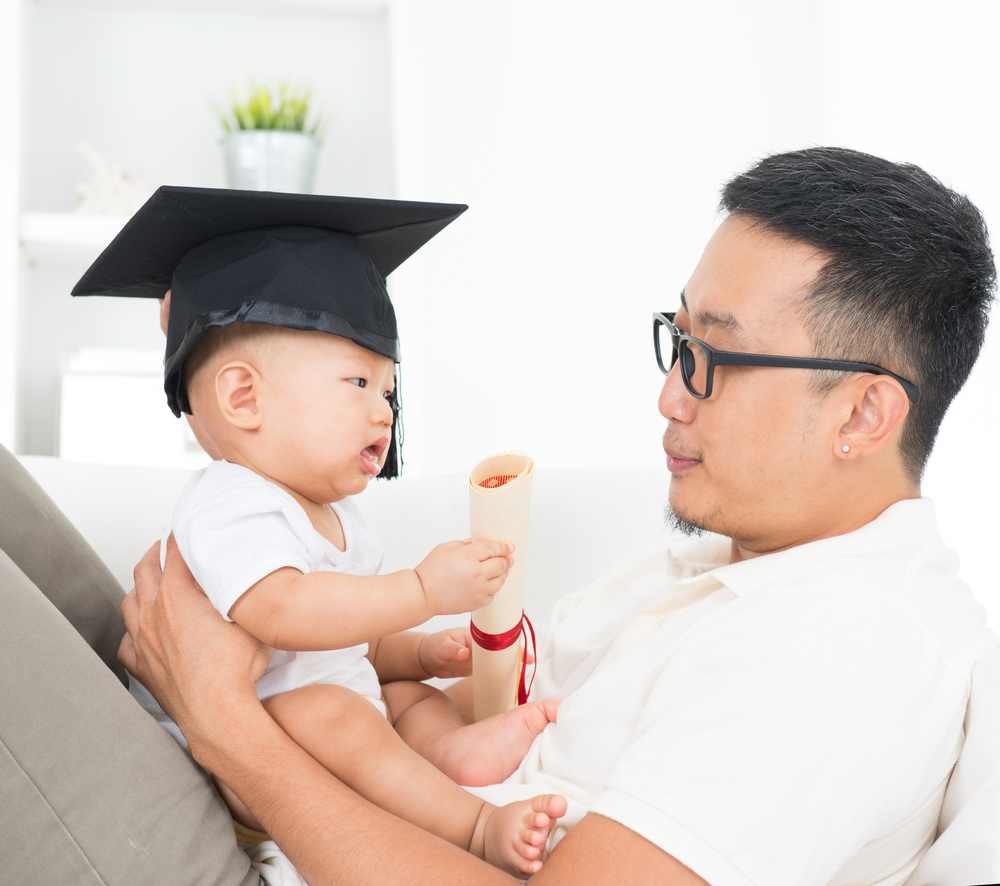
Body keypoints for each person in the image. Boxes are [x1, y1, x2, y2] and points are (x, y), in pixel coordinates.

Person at [119, 147, 999, 886]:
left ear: (861, 415)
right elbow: (441, 724)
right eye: (676, 340)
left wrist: (221, 720)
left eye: (711, 357)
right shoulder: (701, 573)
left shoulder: (844, 647)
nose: (667, 396)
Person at [77, 187, 565, 876]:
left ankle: (452, 755)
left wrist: (418, 653)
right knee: (338, 717)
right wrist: (422, 589)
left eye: (388, 392)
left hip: (323, 706)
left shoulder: (334, 517)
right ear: (244, 398)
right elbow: (282, 612)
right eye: (359, 383)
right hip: (253, 747)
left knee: (399, 699)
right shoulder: (231, 502)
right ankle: (476, 825)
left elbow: (354, 634)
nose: (384, 413)